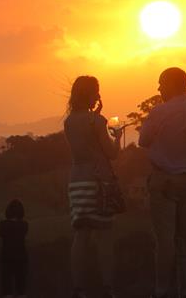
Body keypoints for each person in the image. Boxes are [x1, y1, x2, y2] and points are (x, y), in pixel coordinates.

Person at [139, 67, 186, 298]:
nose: (159, 88)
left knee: (165, 239)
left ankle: (162, 290)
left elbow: (143, 141)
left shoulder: (159, 112)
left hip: (164, 181)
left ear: (171, 85)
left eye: (161, 83)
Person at [64, 76, 123, 298]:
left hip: (77, 182)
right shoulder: (97, 122)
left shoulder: (69, 121)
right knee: (105, 237)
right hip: (99, 182)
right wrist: (117, 137)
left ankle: (79, 289)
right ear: (92, 93)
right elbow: (112, 154)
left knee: (81, 236)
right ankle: (107, 288)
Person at [0, 199, 29, 298]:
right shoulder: (24, 225)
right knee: (21, 288)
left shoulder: (3, 225)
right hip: (21, 258)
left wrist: (3, 220)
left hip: (6, 258)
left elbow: (1, 234)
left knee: (7, 288)